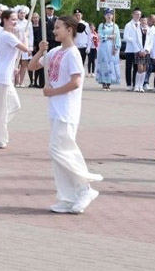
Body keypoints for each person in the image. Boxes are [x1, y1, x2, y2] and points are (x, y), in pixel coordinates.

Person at [28, 16, 103, 214]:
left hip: (67, 110)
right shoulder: (54, 52)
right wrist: (40, 50)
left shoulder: (73, 54)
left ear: (69, 30)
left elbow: (76, 82)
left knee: (60, 150)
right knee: (58, 154)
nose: (54, 31)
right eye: (54, 28)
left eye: (58, 27)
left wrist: (53, 91)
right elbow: (32, 67)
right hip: (55, 110)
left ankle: (84, 188)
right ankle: (68, 197)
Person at [0, 9, 30, 148]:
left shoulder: (9, 35)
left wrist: (13, 69)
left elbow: (5, 56)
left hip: (5, 76)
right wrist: (26, 37)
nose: (15, 22)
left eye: (17, 19)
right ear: (4, 20)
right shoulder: (6, 36)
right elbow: (25, 49)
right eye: (13, 19)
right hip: (1, 78)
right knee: (0, 109)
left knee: (15, 105)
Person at [94, 9, 121, 90]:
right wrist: (109, 37)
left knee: (111, 64)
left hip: (112, 46)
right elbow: (99, 36)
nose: (109, 16)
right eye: (107, 14)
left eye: (110, 14)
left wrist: (116, 47)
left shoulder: (115, 26)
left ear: (113, 16)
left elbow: (118, 37)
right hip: (104, 46)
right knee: (104, 63)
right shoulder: (101, 25)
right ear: (105, 16)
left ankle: (109, 82)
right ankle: (103, 82)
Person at [123, 8, 144, 91]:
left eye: (139, 14)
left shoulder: (141, 25)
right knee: (128, 67)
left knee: (136, 67)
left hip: (138, 50)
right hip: (130, 49)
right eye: (136, 14)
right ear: (133, 14)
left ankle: (136, 84)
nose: (138, 16)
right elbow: (125, 37)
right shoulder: (128, 25)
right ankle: (128, 84)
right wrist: (134, 40)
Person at [13, 6, 33, 88]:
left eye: (24, 13)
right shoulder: (15, 22)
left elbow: (31, 35)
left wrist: (30, 47)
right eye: (21, 13)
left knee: (24, 63)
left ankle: (21, 81)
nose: (22, 14)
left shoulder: (28, 23)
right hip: (17, 45)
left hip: (25, 44)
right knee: (16, 63)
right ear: (18, 13)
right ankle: (16, 81)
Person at [30, 12, 44, 88]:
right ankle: (31, 81)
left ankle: (36, 80)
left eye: (37, 17)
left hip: (39, 47)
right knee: (31, 63)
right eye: (34, 18)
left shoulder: (41, 27)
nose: (35, 19)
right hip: (32, 47)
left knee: (38, 63)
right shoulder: (30, 26)